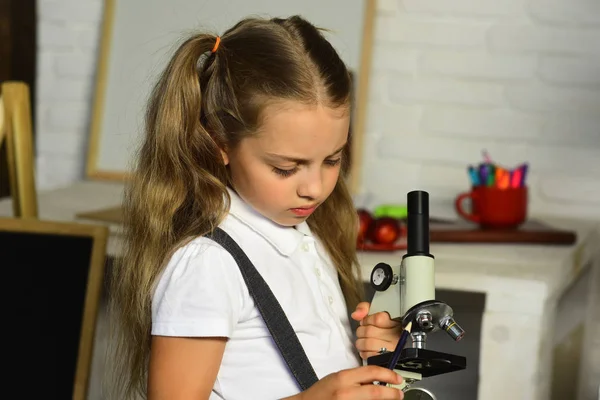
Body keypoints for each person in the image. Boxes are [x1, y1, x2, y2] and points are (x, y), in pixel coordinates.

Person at [108, 15, 404, 400]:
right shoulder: (207, 264)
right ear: (220, 143)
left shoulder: (301, 233)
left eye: (332, 160)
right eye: (285, 168)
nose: (314, 188)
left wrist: (371, 355)